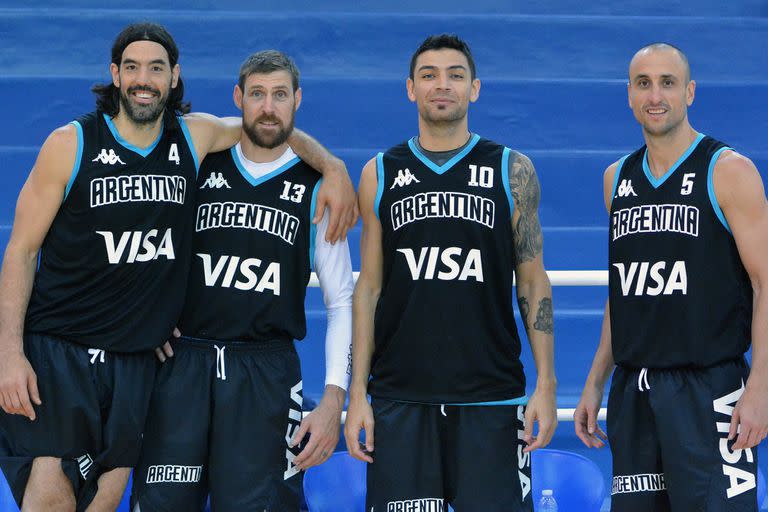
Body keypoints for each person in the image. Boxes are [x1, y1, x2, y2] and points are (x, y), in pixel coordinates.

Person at [0, 22, 357, 511]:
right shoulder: (71, 143)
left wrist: (333, 166)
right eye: (131, 68)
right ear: (114, 74)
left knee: (105, 499)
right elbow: (20, 249)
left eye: (155, 68)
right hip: (62, 348)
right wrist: (8, 354)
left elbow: (268, 127)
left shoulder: (192, 138)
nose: (143, 79)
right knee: (50, 496)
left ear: (174, 78)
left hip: (135, 359)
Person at [130, 49, 353, 512]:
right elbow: (139, 243)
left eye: (279, 95)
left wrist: (333, 398)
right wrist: (144, 323)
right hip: (182, 366)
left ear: (297, 101)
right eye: (257, 94)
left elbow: (341, 302)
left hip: (264, 373)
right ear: (238, 98)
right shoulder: (196, 164)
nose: (268, 107)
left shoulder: (318, 188)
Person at [344, 34, 557, 511]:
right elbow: (370, 288)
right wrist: (357, 393)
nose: (443, 86)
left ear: (474, 88)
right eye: (429, 76)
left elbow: (533, 281)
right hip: (401, 398)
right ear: (410, 89)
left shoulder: (511, 169)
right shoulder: (380, 172)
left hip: (492, 398)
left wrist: (545, 385)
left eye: (455, 76)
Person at [574, 43, 768, 511]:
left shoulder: (729, 171)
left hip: (710, 388)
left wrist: (761, 386)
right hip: (635, 390)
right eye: (643, 83)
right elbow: (624, 291)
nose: (655, 95)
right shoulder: (615, 178)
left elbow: (765, 283)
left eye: (667, 83)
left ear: (690, 92)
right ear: (629, 95)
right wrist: (595, 379)